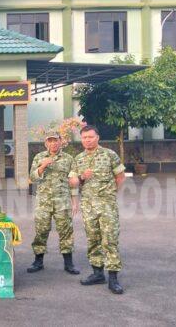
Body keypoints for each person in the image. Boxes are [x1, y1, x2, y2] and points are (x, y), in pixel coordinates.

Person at [71, 125, 126, 294]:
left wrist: (110, 195)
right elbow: (72, 182)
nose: (87, 140)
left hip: (107, 205)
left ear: (97, 138)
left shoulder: (110, 154)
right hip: (88, 206)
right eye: (84, 137)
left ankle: (113, 278)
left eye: (90, 137)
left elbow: (120, 177)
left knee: (110, 239)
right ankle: (97, 273)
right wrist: (82, 177)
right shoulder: (78, 159)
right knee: (93, 239)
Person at [27, 129, 80, 275]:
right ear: (46, 143)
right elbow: (32, 178)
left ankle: (68, 263)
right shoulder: (39, 157)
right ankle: (38, 261)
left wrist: (75, 201)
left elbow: (73, 181)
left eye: (55, 140)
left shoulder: (69, 159)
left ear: (60, 141)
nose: (53, 143)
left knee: (66, 231)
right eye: (50, 141)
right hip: (43, 202)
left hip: (63, 202)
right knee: (41, 231)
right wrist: (43, 165)